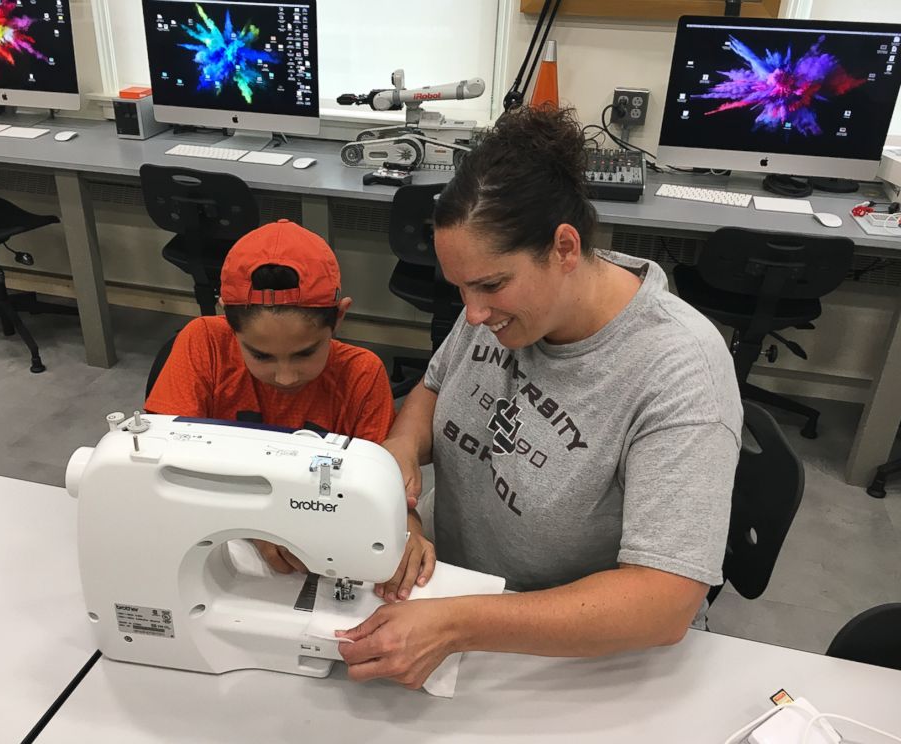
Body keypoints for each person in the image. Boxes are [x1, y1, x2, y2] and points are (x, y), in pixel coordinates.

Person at [336, 106, 743, 690]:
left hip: (578, 656)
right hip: (466, 607)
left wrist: (456, 625)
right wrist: (401, 452)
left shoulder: (679, 370)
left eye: (491, 286)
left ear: (565, 247)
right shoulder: (502, 310)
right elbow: (431, 389)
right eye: (461, 289)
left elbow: (664, 601)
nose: (472, 314)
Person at [145, 219, 435, 589]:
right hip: (213, 532)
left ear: (339, 318)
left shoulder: (362, 376)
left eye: (305, 353)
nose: (284, 377)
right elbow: (164, 467)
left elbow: (382, 487)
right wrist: (255, 526)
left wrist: (407, 527)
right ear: (227, 321)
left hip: (318, 544)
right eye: (261, 356)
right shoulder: (202, 343)